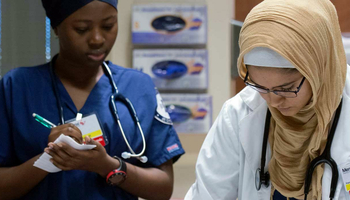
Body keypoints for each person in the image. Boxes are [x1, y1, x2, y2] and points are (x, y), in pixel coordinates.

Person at [0, 0, 185, 199]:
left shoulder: (138, 87)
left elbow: (163, 188)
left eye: (108, 26)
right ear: (55, 27)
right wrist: (50, 158)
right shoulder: (17, 87)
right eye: (82, 29)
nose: (97, 39)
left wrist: (106, 166)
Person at [185, 0, 349, 199]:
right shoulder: (238, 115)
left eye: (286, 88)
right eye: (260, 86)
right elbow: (208, 194)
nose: (272, 101)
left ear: (319, 69)